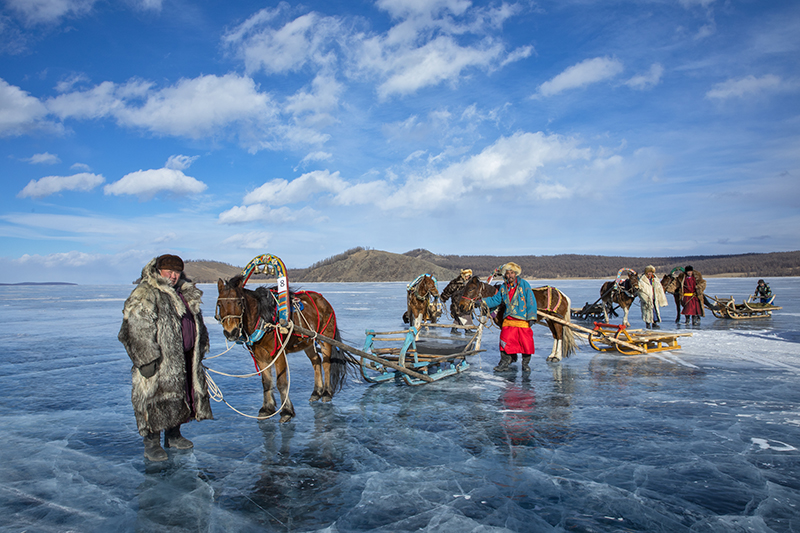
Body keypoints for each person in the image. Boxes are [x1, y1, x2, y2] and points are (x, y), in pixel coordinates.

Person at [118, 254, 213, 462]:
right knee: (155, 398)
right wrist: (146, 359)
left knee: (181, 395)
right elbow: (135, 329)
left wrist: (200, 346)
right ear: (158, 270)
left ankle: (174, 435)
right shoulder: (146, 293)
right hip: (160, 361)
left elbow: (196, 322)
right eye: (168, 271)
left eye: (176, 272)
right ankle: (151, 444)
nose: (172, 276)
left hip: (185, 356)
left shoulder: (184, 293)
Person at [481, 262, 537, 372]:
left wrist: (532, 316)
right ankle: (504, 363)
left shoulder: (524, 284)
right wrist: (482, 302)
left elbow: (531, 300)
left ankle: (525, 364)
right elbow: (496, 300)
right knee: (504, 342)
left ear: (515, 274)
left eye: (512, 273)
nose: (509, 275)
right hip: (508, 320)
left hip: (522, 320)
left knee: (526, 343)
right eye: (507, 273)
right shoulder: (503, 287)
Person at [440, 268, 474, 334]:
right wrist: (443, 298)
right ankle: (467, 330)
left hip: (467, 302)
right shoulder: (455, 282)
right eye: (467, 275)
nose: (468, 277)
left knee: (463, 316)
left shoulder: (470, 283)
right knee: (462, 315)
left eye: (469, 276)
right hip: (457, 302)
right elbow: (448, 290)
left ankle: (454, 329)